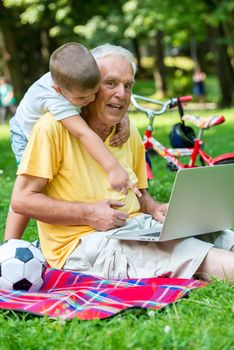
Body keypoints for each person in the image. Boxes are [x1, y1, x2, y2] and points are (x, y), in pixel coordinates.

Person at [7, 44, 234, 282]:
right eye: (111, 83)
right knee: (195, 255)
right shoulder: (52, 127)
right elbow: (21, 201)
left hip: (136, 227)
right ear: (91, 87)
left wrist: (154, 207)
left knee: (220, 237)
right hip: (83, 244)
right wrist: (88, 214)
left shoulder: (127, 131)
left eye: (128, 86)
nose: (122, 94)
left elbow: (139, 194)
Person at [6, 42, 140, 240]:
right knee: (32, 184)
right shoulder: (56, 100)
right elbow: (83, 133)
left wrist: (123, 117)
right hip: (24, 132)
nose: (91, 99)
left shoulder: (75, 78)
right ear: (59, 90)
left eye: (95, 93)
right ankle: (10, 244)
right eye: (83, 98)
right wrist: (113, 167)